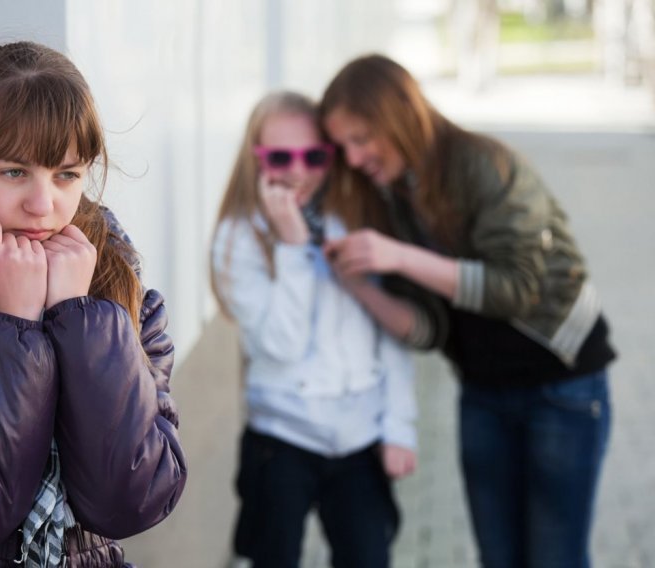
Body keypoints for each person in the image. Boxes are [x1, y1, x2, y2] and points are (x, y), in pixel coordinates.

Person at [320, 54, 616, 568]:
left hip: (562, 388)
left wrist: (401, 257)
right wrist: (361, 287)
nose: (353, 158)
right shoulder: (389, 197)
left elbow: (517, 288)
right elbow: (431, 329)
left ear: (400, 115)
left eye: (362, 139)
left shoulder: (486, 164)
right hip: (482, 394)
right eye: (343, 146)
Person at [0, 41, 187, 568]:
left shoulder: (122, 294)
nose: (43, 205)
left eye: (66, 174)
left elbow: (134, 500)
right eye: (14, 172)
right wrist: (11, 325)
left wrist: (79, 317)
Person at [210, 91, 417, 568]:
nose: (298, 171)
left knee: (369, 555)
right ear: (255, 157)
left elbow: (388, 329)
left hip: (361, 438)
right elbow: (280, 346)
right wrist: (292, 246)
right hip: (281, 439)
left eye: (314, 155)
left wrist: (400, 426)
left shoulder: (358, 220)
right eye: (280, 156)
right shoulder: (239, 236)